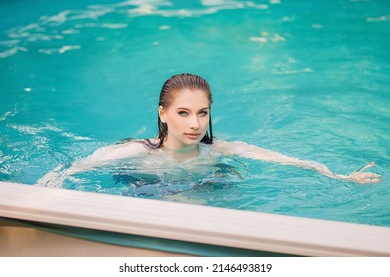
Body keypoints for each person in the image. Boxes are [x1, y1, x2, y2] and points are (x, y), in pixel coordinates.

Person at [37, 73, 381, 187]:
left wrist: (336, 176)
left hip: (204, 189)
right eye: (183, 112)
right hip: (145, 190)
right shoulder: (135, 152)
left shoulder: (218, 150)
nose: (195, 124)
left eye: (202, 113)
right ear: (163, 113)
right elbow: (75, 168)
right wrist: (49, 184)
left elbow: (286, 160)